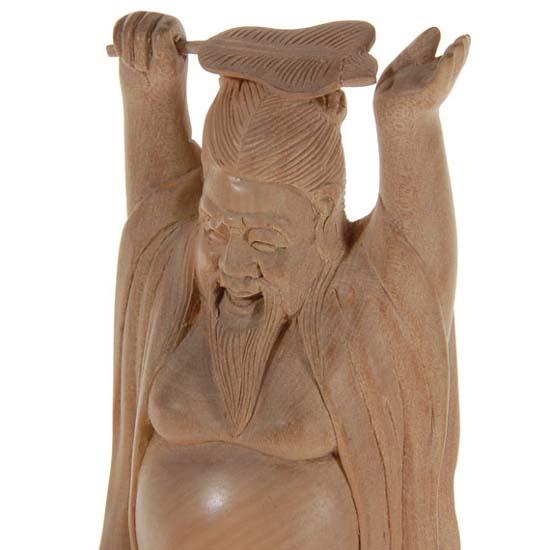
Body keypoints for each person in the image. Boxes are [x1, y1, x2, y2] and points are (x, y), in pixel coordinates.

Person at [101, 11, 469, 550]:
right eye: (218, 229)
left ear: (323, 219)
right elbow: (159, 204)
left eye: (265, 240)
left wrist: (407, 123)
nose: (234, 265)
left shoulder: (359, 308)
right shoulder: (178, 284)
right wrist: (150, 88)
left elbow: (417, 265)